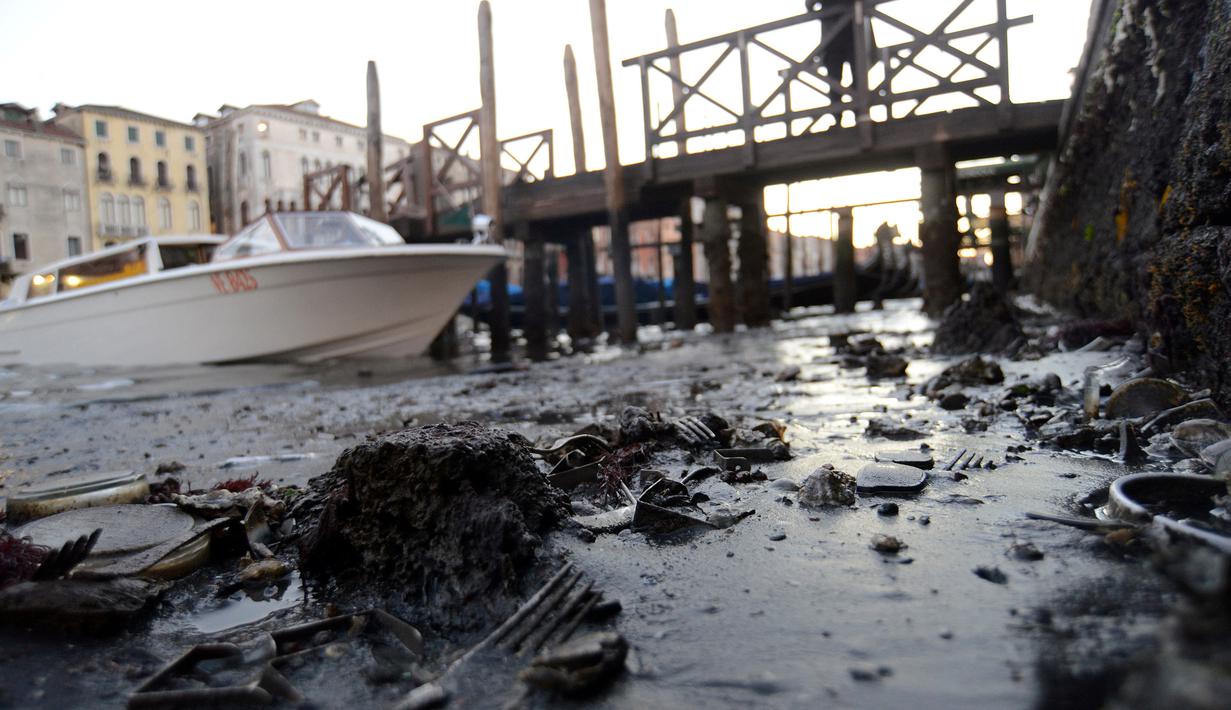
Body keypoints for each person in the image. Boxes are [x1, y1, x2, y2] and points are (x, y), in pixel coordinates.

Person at [805, 0, 856, 88]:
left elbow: (809, 5)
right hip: (847, 37)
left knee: (837, 81)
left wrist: (822, 15)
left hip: (842, 38)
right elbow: (809, 4)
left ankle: (853, 93)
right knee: (840, 81)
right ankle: (854, 93)